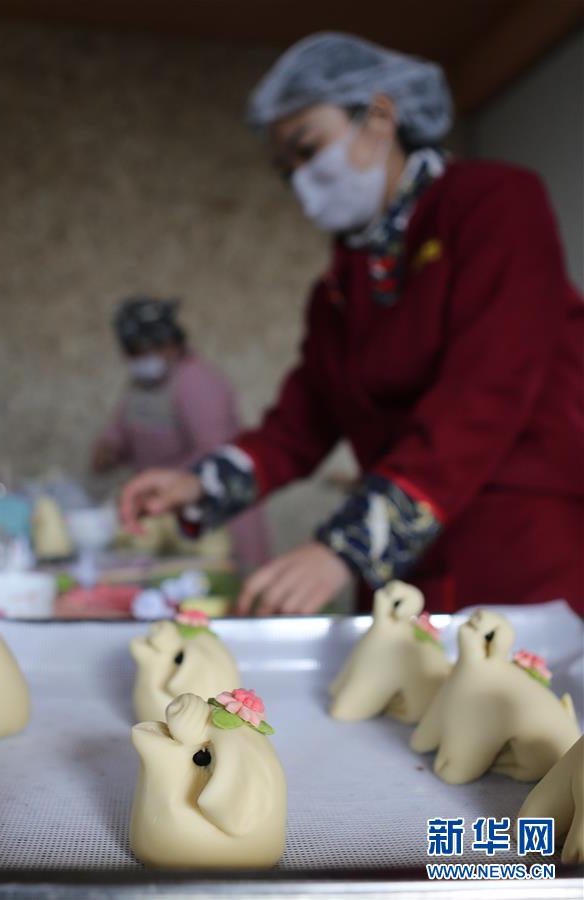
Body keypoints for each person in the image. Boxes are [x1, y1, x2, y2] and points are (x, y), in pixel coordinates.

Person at [119, 34, 584, 616]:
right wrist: (200, 484)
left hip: (516, 550)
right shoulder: (340, 288)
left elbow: (486, 393)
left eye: (308, 148)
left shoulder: (493, 203)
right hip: (405, 567)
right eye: (286, 170)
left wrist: (349, 546)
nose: (301, 180)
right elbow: (301, 422)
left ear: (380, 118)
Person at [92, 296, 270, 570]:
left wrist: (168, 483)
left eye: (146, 350)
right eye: (133, 353)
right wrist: (109, 448)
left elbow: (215, 453)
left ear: (171, 344)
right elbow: (121, 431)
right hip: (163, 512)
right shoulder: (140, 386)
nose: (140, 359)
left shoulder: (197, 382)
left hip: (211, 514)